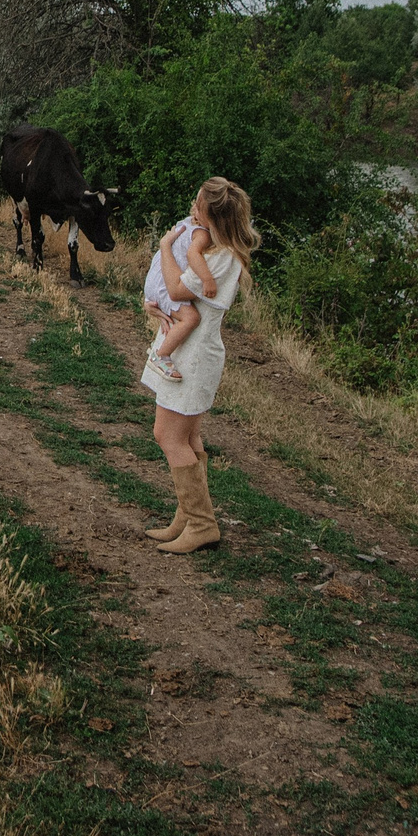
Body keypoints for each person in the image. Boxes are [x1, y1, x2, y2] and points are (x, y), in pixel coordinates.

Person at [139, 177, 260, 555]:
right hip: (190, 352)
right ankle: (188, 518)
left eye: (199, 206)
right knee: (188, 438)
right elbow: (174, 293)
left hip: (194, 357)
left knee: (168, 436)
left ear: (214, 216)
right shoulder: (214, 251)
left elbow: (178, 289)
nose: (193, 211)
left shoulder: (221, 258)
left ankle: (202, 524)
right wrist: (154, 303)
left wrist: (164, 246)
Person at [140, 210, 214, 382]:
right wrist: (207, 279)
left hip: (155, 280)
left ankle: (163, 347)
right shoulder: (202, 234)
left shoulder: (185, 223)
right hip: (165, 285)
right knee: (191, 318)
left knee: (183, 317)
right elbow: (192, 254)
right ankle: (161, 355)